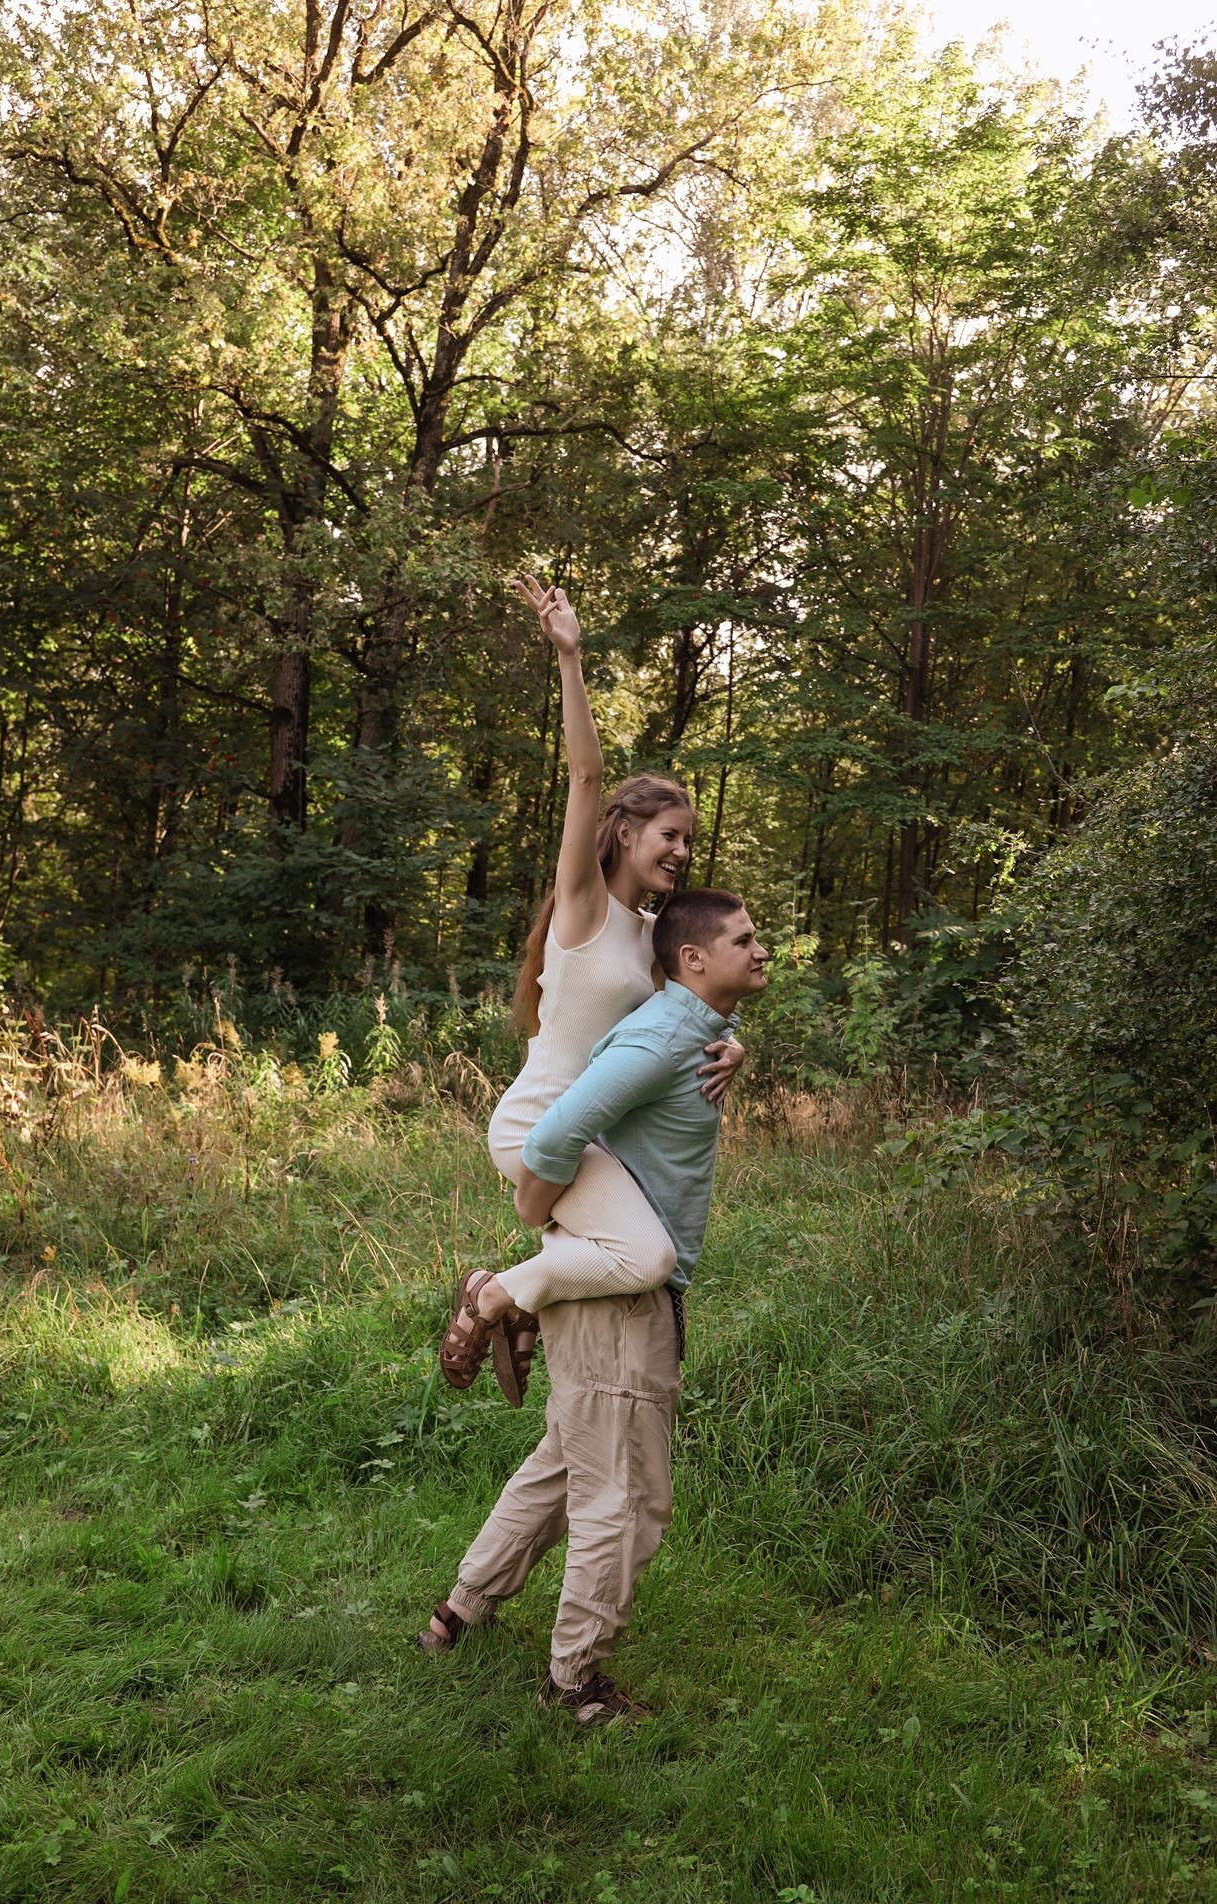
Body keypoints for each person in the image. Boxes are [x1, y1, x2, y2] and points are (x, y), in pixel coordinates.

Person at [418, 889, 770, 1722]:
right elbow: (556, 1132)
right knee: (623, 1501)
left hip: (602, 1287)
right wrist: (535, 1215)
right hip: (622, 1299)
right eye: (745, 940)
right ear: (692, 958)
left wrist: (733, 1047)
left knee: (563, 1467)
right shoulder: (661, 1034)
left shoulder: (690, 1030)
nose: (762, 951)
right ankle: (574, 1683)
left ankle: (457, 1613)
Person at [437, 575, 744, 1410]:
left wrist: (735, 1048)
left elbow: (692, 1012)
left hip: (592, 1139)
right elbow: (583, 773)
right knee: (644, 1260)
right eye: (667, 836)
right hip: (541, 1124)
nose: (681, 852)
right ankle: (496, 1293)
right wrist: (570, 657)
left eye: (688, 840)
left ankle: (531, 1314)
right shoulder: (581, 909)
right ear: (624, 832)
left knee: (643, 1261)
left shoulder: (654, 942)